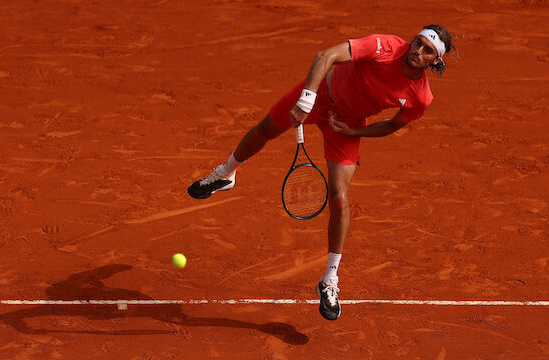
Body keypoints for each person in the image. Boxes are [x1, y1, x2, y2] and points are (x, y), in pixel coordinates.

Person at [188, 25, 455, 320]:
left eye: (427, 50)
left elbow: (392, 125)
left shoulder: (421, 97)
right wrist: (307, 99)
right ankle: (226, 174)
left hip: (347, 122)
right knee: (265, 130)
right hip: (318, 95)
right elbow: (325, 56)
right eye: (417, 43)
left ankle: (329, 280)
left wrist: (353, 130)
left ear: (435, 61)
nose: (417, 51)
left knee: (339, 197)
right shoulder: (386, 46)